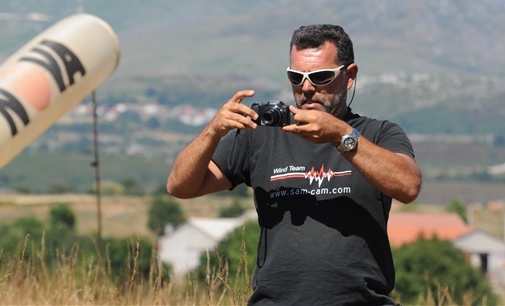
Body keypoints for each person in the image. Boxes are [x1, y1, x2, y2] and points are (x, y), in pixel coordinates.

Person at [166, 24, 422, 305]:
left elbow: (408, 185)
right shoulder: (261, 134)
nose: (308, 87)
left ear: (349, 76)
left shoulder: (378, 134)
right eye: (297, 77)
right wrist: (213, 130)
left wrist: (341, 135)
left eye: (321, 77)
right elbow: (180, 185)